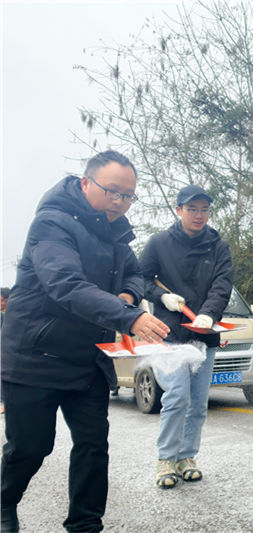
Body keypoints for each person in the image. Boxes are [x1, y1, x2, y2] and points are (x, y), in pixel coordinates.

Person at [0, 150, 169, 533]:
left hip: (86, 358)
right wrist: (131, 316)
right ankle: (4, 501)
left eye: (128, 196)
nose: (120, 202)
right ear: (85, 184)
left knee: (93, 446)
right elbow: (66, 285)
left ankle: (85, 524)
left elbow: (134, 275)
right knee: (31, 447)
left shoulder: (118, 235)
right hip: (35, 355)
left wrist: (127, 296)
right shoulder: (51, 224)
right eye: (113, 192)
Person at [139, 184, 233, 488]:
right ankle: (166, 458)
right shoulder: (158, 243)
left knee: (197, 402)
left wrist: (209, 312)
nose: (199, 215)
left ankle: (187, 456)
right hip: (170, 333)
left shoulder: (218, 246)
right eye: (192, 209)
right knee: (177, 394)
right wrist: (161, 297)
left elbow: (223, 284)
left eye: (204, 209)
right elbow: (140, 279)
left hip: (203, 333)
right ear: (178, 210)